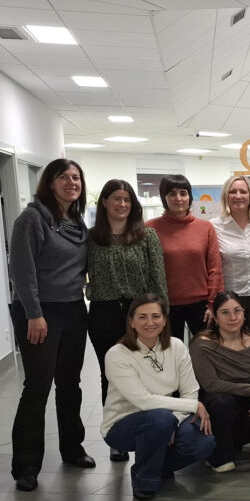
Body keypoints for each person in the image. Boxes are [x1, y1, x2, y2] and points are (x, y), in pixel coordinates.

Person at [8, 158, 97, 492]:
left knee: (70, 384)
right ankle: (26, 465)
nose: (71, 182)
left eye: (76, 177)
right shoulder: (32, 218)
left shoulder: (76, 222)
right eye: (64, 177)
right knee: (38, 385)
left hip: (74, 309)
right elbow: (22, 268)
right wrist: (33, 312)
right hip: (39, 313)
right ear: (50, 182)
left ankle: (72, 448)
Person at [100, 295, 215, 501]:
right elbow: (143, 401)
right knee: (159, 419)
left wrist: (174, 421)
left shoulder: (177, 346)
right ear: (131, 321)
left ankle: (157, 464)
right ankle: (145, 479)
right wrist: (187, 408)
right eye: (142, 317)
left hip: (167, 418)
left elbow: (190, 390)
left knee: (203, 442)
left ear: (164, 320)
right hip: (122, 424)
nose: (150, 322)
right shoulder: (117, 354)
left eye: (156, 316)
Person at [87, 178, 168, 464]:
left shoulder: (147, 236)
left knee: (147, 373)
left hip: (140, 314)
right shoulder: (92, 238)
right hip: (103, 313)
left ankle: (152, 430)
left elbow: (158, 279)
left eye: (127, 199)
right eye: (116, 198)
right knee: (111, 375)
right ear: (105, 203)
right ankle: (116, 436)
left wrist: (162, 317)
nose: (122, 204)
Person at [189, 291, 250, 473]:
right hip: (212, 401)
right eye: (225, 312)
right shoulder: (202, 344)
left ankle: (229, 443)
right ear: (214, 317)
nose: (233, 317)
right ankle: (218, 456)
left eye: (237, 311)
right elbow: (210, 384)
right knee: (223, 401)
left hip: (241, 399)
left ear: (244, 314)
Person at [147, 174, 223, 340]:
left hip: (201, 306)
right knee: (170, 356)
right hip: (165, 306)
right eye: (172, 193)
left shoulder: (205, 228)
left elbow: (215, 268)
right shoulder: (149, 229)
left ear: (190, 197)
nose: (178, 198)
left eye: (183, 193)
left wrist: (213, 304)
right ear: (163, 197)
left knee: (206, 352)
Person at [211, 175, 250, 346]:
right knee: (231, 347)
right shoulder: (215, 226)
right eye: (233, 191)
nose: (238, 196)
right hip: (229, 299)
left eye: (243, 191)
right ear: (225, 196)